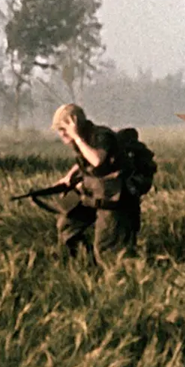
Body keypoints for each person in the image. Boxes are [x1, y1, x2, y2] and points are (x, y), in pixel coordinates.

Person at [37, 103, 148, 263]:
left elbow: (97, 160)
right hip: (94, 195)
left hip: (116, 200)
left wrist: (76, 137)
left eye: (63, 129)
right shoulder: (85, 139)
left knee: (107, 249)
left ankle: (134, 271)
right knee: (68, 225)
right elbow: (85, 162)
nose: (61, 134)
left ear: (76, 124)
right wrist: (69, 177)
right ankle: (87, 265)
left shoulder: (102, 136)